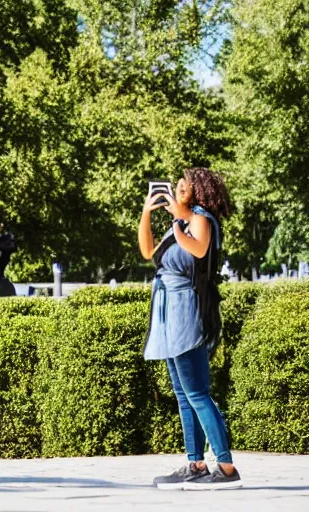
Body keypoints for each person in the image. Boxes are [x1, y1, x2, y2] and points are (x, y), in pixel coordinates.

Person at [138, 167, 241, 490]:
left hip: (187, 308)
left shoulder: (200, 218)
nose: (177, 189)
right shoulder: (182, 221)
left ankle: (225, 466)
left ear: (197, 190)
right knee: (183, 394)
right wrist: (146, 213)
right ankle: (195, 462)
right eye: (176, 186)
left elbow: (197, 249)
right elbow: (148, 253)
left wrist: (178, 216)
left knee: (197, 393)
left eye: (183, 186)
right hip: (167, 310)